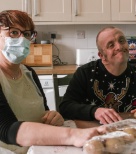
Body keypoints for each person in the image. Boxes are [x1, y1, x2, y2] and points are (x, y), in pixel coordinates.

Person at [0, 10, 106, 154]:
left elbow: (43, 113)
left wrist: (53, 116)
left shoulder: (29, 73)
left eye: (26, 34)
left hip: (38, 148)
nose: (22, 39)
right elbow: (7, 129)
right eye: (13, 32)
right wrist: (73, 136)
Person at [59, 26, 136, 125]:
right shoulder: (85, 73)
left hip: (129, 132)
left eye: (122, 41)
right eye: (111, 45)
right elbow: (65, 107)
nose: (119, 46)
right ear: (102, 56)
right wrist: (94, 111)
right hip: (92, 131)